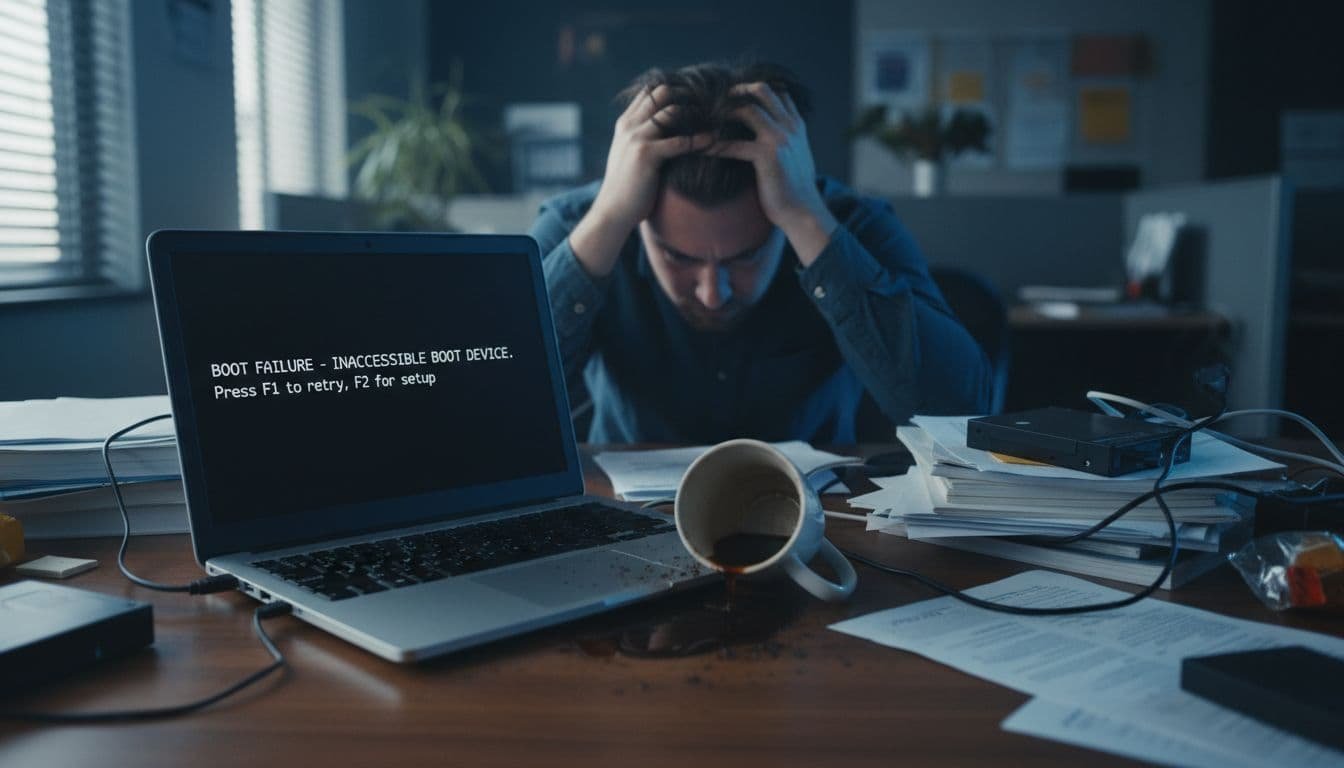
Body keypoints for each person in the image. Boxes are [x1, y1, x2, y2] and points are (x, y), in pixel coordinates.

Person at [530, 61, 991, 443]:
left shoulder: (849, 225)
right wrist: (608, 220)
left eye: (745, 257)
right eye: (679, 258)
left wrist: (805, 218)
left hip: (826, 512)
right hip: (621, 511)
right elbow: (503, 402)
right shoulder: (585, 225)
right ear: (641, 220)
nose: (713, 295)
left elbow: (961, 410)